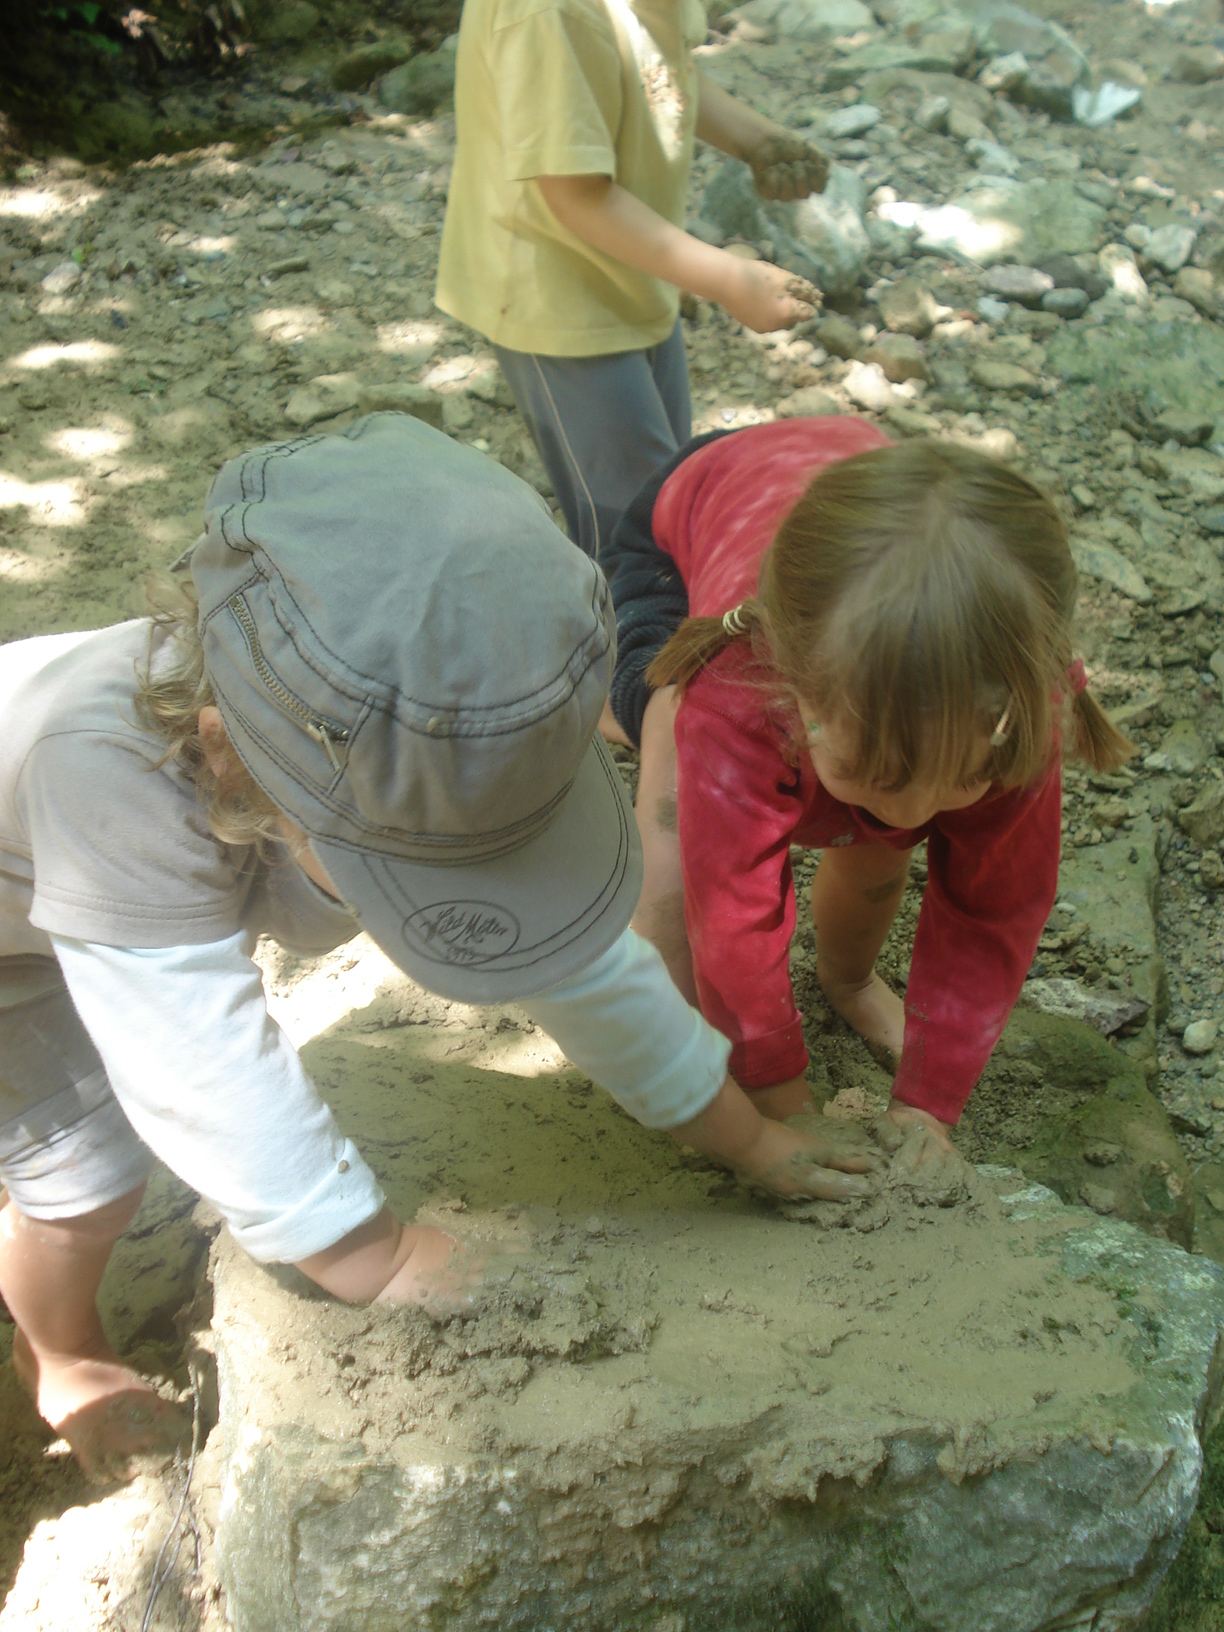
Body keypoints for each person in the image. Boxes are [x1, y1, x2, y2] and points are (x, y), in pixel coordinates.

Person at [0, 413, 880, 1484]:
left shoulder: (414, 733)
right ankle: (63, 1353)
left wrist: (740, 1134)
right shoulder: (108, 789)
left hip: (124, 876)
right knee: (84, 1171)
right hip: (17, 942)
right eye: (422, 868)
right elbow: (192, 1063)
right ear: (233, 757)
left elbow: (581, 961)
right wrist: (370, 1257)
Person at [601, 418, 1134, 1170]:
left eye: (965, 778)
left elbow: (994, 912)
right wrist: (779, 1102)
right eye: (879, 775)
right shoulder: (742, 692)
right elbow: (734, 912)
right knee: (673, 819)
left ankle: (847, 981)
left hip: (869, 543)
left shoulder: (1018, 711)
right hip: (694, 509)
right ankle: (605, 702)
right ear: (796, 688)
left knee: (871, 835)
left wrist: (929, 1104)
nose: (916, 815)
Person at [435, 0, 831, 565]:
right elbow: (575, 194)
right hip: (555, 298)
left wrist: (757, 139)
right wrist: (729, 279)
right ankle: (623, 621)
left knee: (670, 495)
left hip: (636, 266)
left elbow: (662, 72)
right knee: (636, 537)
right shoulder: (550, 14)